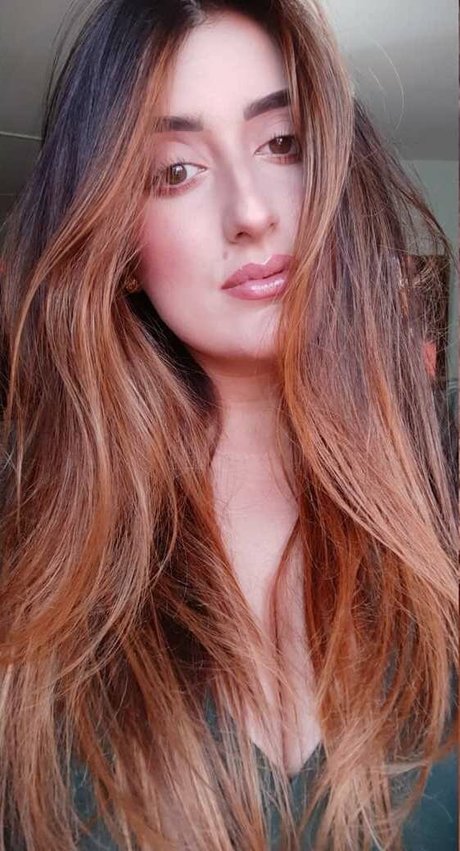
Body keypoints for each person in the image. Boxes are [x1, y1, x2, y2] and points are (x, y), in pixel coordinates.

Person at [0, 1, 457, 849]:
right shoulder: (31, 571)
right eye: (175, 171)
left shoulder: (444, 515)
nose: (250, 210)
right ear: (119, 249)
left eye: (282, 143)